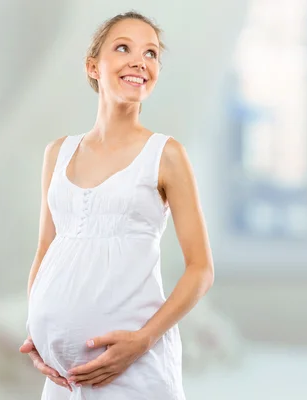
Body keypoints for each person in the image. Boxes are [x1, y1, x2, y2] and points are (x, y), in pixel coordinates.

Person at [18, 11, 214, 400]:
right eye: (123, 47)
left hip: (134, 370)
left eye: (151, 53)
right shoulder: (57, 153)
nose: (140, 60)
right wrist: (39, 333)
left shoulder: (166, 154)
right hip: (63, 379)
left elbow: (201, 269)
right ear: (93, 66)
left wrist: (143, 340)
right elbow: (46, 249)